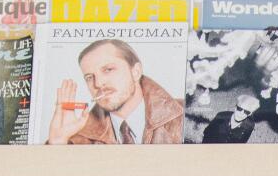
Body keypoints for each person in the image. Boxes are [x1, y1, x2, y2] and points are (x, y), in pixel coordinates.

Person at [46, 38, 184, 145]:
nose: (98, 83)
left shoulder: (186, 115)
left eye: (108, 69)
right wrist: (58, 142)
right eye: (89, 77)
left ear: (136, 72)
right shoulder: (77, 138)